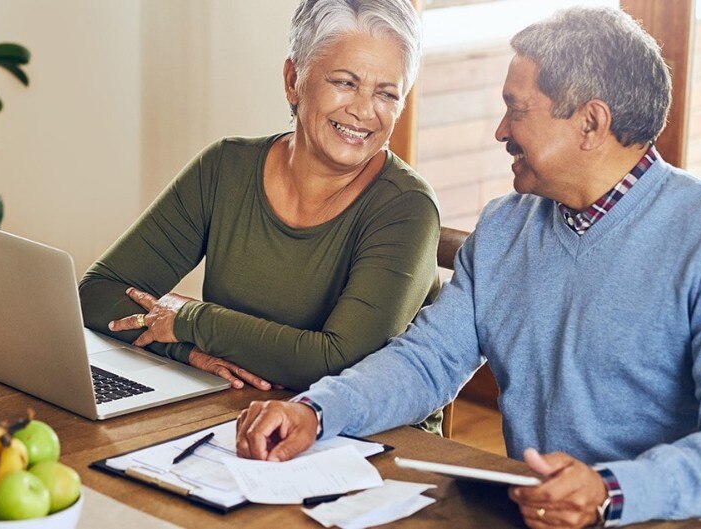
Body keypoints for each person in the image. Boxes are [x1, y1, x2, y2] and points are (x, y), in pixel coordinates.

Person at [234, 6, 701, 529]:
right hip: (543, 513)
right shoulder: (505, 226)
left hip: (686, 517)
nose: (501, 131)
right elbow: (426, 363)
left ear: (591, 124)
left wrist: (608, 492)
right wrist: (316, 410)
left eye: (517, 109)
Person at [78, 0, 443, 431]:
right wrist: (186, 349)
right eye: (346, 82)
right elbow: (97, 294)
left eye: (387, 93)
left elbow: (338, 361)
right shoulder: (224, 168)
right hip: (235, 415)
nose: (364, 111)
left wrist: (191, 320)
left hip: (365, 442)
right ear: (293, 79)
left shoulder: (407, 208)